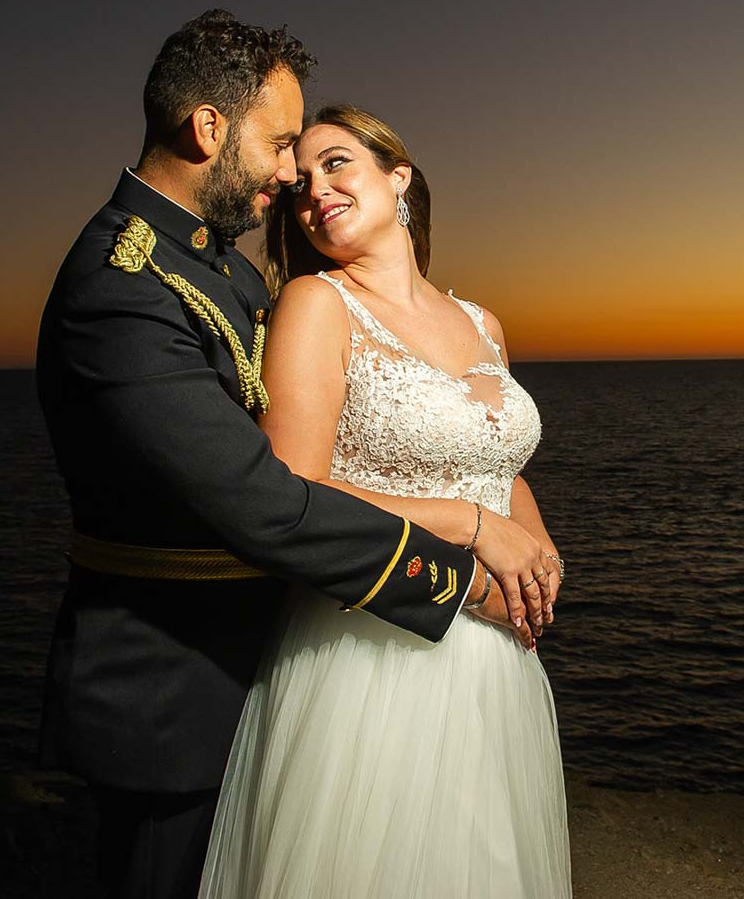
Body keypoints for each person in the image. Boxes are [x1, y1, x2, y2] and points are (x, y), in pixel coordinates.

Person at [35, 12, 553, 899]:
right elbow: (261, 496)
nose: (291, 175)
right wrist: (463, 563)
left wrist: (520, 543)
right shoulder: (122, 287)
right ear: (208, 130)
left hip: (256, 645)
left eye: (319, 158)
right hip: (173, 681)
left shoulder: (222, 271)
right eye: (281, 145)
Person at [197, 105, 571, 898]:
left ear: (399, 177)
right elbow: (293, 485)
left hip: (493, 658)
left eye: (337, 163)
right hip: (373, 654)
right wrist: (474, 528)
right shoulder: (316, 305)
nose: (315, 192)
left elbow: (501, 459)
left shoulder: (481, 321)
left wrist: (535, 556)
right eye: (300, 183)